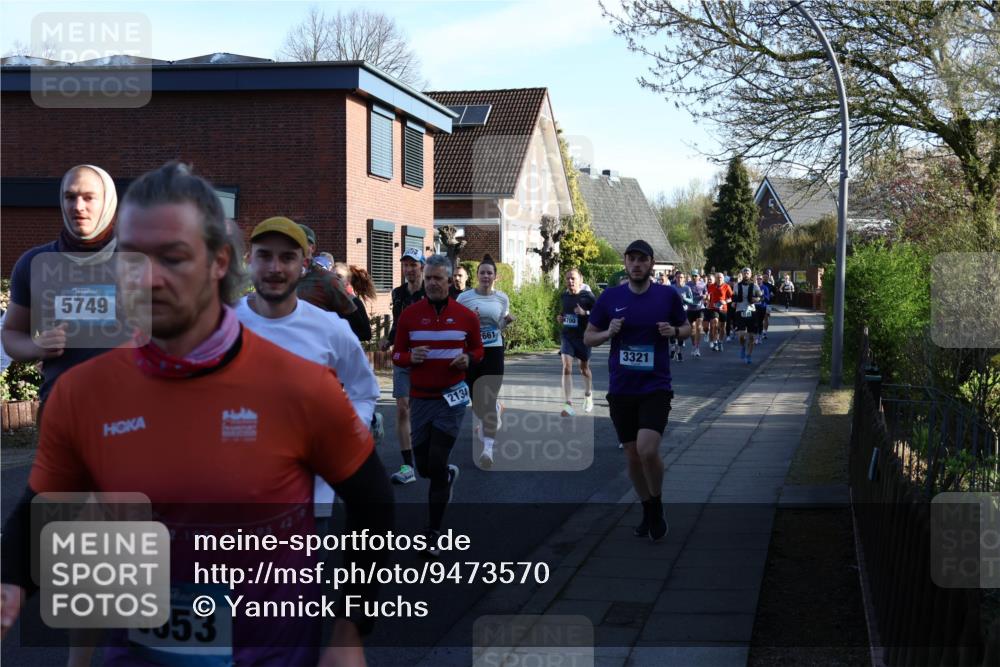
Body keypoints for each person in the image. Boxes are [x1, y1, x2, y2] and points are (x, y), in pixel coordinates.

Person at [0, 162, 393, 666]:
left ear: (219, 263)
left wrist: (349, 627)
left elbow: (374, 506)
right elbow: (41, 513)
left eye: (174, 257)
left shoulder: (301, 386)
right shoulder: (84, 393)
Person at [235, 216, 381, 525]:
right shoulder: (222, 323)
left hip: (310, 499)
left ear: (304, 264)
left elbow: (364, 390)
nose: (275, 267)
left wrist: (349, 432)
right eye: (265, 255)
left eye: (287, 257)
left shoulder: (329, 328)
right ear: (249, 261)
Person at [584, 240, 689, 542]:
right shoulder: (610, 297)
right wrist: (608, 332)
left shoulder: (667, 295)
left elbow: (687, 328)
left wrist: (674, 332)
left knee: (647, 449)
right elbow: (589, 337)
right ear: (626, 263)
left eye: (642, 259)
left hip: (656, 386)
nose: (637, 264)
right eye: (632, 259)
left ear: (651, 264)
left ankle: (655, 503)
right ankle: (649, 509)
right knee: (631, 455)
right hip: (622, 389)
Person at [1, 164, 123, 402]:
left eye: (89, 197)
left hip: (131, 410)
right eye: (70, 197)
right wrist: (36, 347)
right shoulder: (33, 263)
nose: (78, 206)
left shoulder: (144, 262)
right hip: (61, 406)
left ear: (108, 202)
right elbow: (12, 334)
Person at [392, 254, 483, 555]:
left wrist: (468, 359)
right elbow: (396, 354)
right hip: (421, 399)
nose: (431, 283)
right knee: (425, 467)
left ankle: (432, 533)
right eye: (428, 277)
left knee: (438, 460)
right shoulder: (410, 316)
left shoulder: (466, 316)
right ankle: (445, 476)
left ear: (449, 280)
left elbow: (479, 349)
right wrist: (409, 358)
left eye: (437, 279)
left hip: (451, 398)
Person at [457, 255, 514, 467]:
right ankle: (495, 410)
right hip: (472, 352)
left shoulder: (502, 298)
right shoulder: (464, 298)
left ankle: (488, 450)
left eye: (490, 273)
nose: (486, 276)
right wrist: (470, 319)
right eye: (482, 272)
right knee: (476, 401)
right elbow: (458, 326)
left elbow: (499, 326)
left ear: (495, 277)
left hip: (493, 352)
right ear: (477, 275)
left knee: (487, 399)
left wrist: (506, 322)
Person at [380, 248, 426, 484]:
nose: (409, 269)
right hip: (403, 355)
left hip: (427, 357)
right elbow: (399, 323)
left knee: (423, 409)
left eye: (413, 265)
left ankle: (429, 456)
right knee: (402, 406)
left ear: (422, 267)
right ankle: (408, 465)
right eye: (405, 265)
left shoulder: (431, 292)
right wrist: (388, 339)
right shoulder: (398, 293)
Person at [557, 267, 596, 416]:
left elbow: (599, 314)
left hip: (584, 337)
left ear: (581, 280)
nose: (570, 281)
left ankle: (588, 395)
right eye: (567, 278)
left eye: (573, 278)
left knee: (583, 368)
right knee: (566, 366)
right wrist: (561, 317)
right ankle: (568, 404)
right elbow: (565, 312)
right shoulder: (564, 296)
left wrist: (585, 313)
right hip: (568, 336)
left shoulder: (588, 296)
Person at [334, 262, 376, 343]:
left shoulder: (355, 302)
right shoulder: (325, 302)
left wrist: (344, 336)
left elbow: (367, 334)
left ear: (347, 281)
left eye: (339, 276)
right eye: (332, 276)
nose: (335, 279)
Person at [731, 267, 763, 365]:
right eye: (744, 272)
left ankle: (748, 355)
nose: (746, 274)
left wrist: (756, 299)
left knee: (752, 337)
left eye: (747, 273)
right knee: (741, 336)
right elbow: (733, 296)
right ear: (742, 274)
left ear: (750, 274)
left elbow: (760, 297)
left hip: (751, 311)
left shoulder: (754, 286)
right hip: (740, 311)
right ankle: (743, 347)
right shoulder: (737, 286)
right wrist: (733, 302)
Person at [670, 272, 696, 362]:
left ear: (684, 278)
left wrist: (684, 299)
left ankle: (679, 352)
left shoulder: (687, 288)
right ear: (675, 278)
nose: (679, 279)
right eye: (678, 277)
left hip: (683, 312)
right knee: (672, 331)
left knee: (680, 333)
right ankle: (673, 348)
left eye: (681, 277)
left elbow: (692, 301)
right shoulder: (671, 288)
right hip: (672, 312)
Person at [706, 272, 732, 352]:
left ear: (723, 278)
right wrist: (707, 299)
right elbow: (708, 295)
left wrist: (725, 301)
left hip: (723, 308)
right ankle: (715, 341)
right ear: (715, 279)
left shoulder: (727, 286)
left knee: (722, 327)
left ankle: (720, 341)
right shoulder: (711, 286)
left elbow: (731, 297)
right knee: (715, 323)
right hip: (713, 308)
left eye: (721, 277)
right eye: (717, 277)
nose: (719, 279)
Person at [687, 270, 707, 357]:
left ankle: (697, 347)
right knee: (692, 329)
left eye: (696, 276)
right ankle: (693, 345)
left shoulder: (703, 284)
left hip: (700, 308)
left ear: (699, 276)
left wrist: (705, 296)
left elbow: (706, 293)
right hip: (691, 309)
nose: (694, 277)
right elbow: (685, 294)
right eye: (693, 276)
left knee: (699, 327)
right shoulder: (688, 285)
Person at [755, 274, 772, 343]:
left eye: (760, 279)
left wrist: (762, 295)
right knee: (755, 322)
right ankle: (756, 337)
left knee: (760, 322)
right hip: (754, 307)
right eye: (758, 279)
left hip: (762, 307)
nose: (759, 280)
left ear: (762, 280)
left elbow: (768, 299)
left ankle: (759, 336)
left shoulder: (765, 288)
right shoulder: (753, 287)